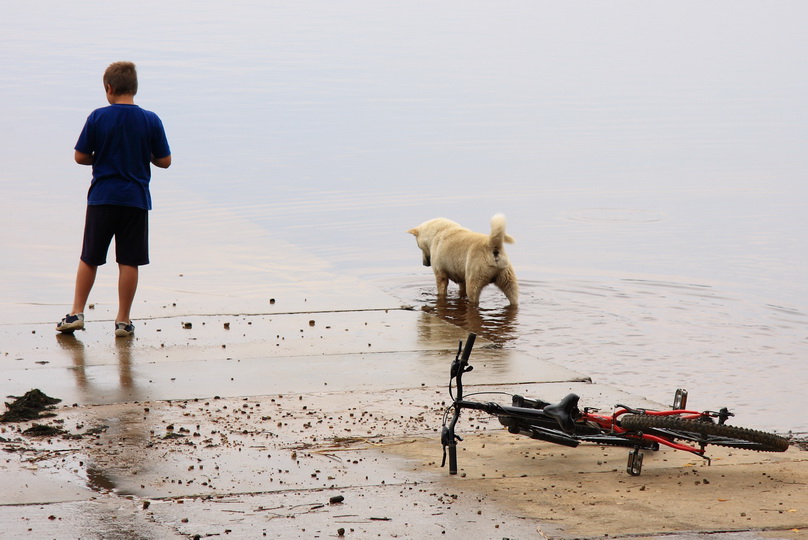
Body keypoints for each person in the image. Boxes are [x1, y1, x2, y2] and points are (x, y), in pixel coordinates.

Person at [56, 61, 171, 337]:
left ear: (109, 88)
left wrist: (102, 158)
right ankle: (122, 320)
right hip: (135, 200)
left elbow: (80, 156)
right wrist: (145, 155)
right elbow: (164, 161)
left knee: (90, 257)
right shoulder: (150, 119)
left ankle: (76, 313)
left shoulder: (98, 117)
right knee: (129, 261)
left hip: (102, 199)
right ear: (134, 88)